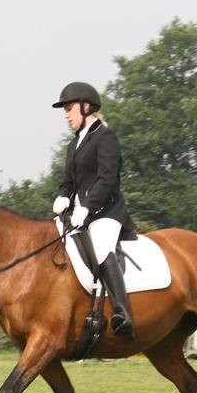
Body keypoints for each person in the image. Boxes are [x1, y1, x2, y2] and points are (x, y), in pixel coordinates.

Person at [51, 82, 137, 341]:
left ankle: (123, 313)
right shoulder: (73, 145)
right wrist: (63, 196)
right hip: (78, 215)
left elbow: (107, 179)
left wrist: (87, 207)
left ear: (86, 107)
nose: (66, 115)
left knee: (101, 248)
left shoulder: (105, 138)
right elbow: (69, 181)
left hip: (106, 212)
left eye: (69, 109)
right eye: (65, 110)